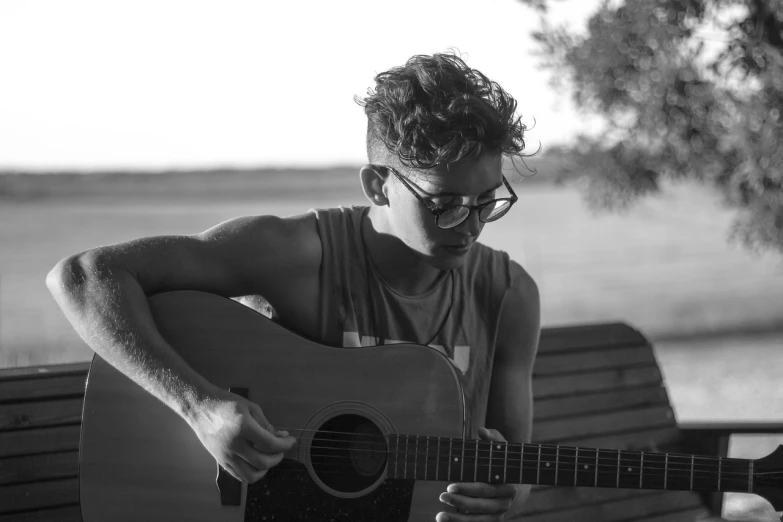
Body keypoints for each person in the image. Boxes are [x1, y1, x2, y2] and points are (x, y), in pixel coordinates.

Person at [47, 52, 540, 522]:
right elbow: (84, 277)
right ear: (377, 186)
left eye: (488, 199)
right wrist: (201, 408)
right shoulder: (296, 254)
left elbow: (518, 473)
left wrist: (507, 495)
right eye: (445, 202)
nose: (471, 224)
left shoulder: (508, 295)